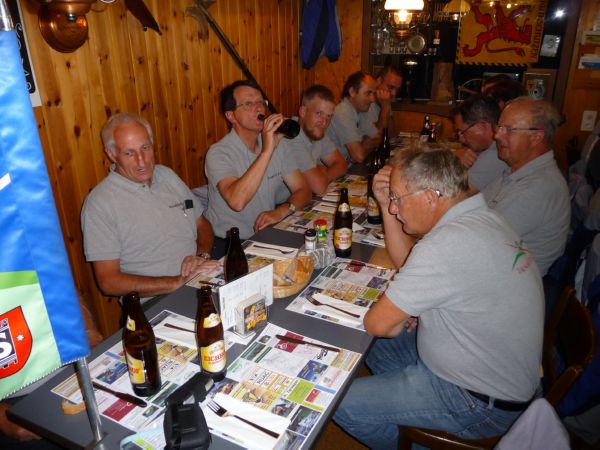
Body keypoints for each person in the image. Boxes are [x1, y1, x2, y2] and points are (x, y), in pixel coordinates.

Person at [333, 147, 544, 449]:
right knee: (376, 347)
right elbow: (410, 264)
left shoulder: (446, 245)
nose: (392, 208)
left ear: (430, 197)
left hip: (480, 402)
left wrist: (401, 316)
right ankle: (409, 406)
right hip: (497, 374)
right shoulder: (482, 217)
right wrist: (383, 202)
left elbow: (378, 324)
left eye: (397, 198)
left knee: (340, 401)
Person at [81, 113, 218, 299]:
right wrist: (177, 282)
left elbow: (202, 224)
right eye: (129, 153)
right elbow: (108, 282)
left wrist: (202, 257)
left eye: (145, 147)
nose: (141, 160)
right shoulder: (99, 204)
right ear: (111, 154)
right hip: (156, 300)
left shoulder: (167, 176)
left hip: (200, 280)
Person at [204, 80, 311, 246]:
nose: (259, 108)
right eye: (248, 104)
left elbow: (303, 189)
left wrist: (283, 210)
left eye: (261, 102)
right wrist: (267, 152)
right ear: (231, 116)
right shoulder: (218, 152)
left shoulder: (278, 142)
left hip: (265, 235)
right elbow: (237, 202)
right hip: (230, 243)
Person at [483, 97, 570, 275]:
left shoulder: (539, 188)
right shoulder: (517, 171)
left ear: (536, 137)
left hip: (508, 282)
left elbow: (481, 238)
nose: (497, 135)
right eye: (499, 127)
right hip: (494, 266)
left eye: (508, 129)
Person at [286, 85, 347, 195]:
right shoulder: (290, 136)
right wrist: (320, 173)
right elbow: (318, 187)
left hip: (303, 198)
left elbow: (341, 163)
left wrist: (323, 174)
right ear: (303, 112)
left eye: (329, 116)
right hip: (285, 202)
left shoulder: (316, 131)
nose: (324, 122)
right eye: (318, 114)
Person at [451, 94, 508, 191]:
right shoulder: (488, 148)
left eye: (462, 132)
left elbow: (455, 194)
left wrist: (454, 162)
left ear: (482, 126)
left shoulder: (496, 154)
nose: (461, 139)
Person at [327, 71, 379, 163]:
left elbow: (379, 138)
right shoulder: (342, 113)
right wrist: (365, 143)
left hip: (349, 166)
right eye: (368, 93)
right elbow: (359, 156)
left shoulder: (361, 110)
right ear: (352, 92)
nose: (372, 99)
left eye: (373, 94)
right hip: (333, 169)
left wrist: (364, 145)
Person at [358, 65, 403, 138]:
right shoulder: (365, 102)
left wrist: (387, 106)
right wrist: (385, 107)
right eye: (391, 87)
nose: (394, 93)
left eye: (397, 89)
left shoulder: (384, 99)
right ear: (379, 81)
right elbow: (377, 138)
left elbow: (390, 134)